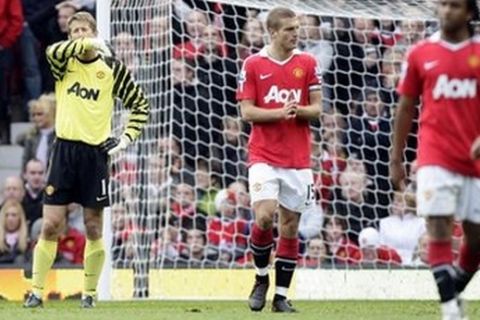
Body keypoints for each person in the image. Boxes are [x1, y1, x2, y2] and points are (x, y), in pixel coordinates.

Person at [24, 11, 149, 309]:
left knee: (94, 227)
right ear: (70, 36)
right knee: (51, 224)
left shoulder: (111, 69)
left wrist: (123, 140)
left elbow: (140, 107)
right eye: (74, 30)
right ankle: (36, 292)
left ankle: (90, 294)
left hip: (95, 155)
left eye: (85, 29)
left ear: (94, 31)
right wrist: (86, 43)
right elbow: (52, 50)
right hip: (64, 151)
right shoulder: (62, 62)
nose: (80, 34)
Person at [391, 1, 480, 319]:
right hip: (434, 156)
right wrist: (396, 159)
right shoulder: (420, 53)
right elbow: (405, 107)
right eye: (442, 4)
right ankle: (450, 311)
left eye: (454, 6)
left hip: (473, 161)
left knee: (476, 239)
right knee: (438, 226)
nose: (445, 11)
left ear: (469, 13)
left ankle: (453, 289)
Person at [236, 7, 322, 312]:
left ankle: (281, 296)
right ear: (272, 32)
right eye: (289, 29)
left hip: (298, 159)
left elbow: (317, 108)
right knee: (263, 215)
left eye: (297, 28)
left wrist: (297, 110)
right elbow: (247, 112)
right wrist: (278, 113)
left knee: (289, 225)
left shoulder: (308, 63)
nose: (295, 33)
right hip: (263, 155)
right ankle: (261, 278)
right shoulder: (254, 64)